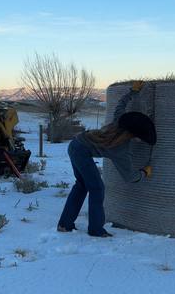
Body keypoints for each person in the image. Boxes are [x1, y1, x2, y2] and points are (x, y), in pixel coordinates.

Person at [57, 81, 157, 238]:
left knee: (82, 186)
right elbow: (130, 177)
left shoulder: (119, 122)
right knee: (97, 188)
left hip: (76, 144)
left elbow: (120, 106)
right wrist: (144, 172)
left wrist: (133, 92)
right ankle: (96, 230)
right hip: (81, 151)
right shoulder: (120, 149)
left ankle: (65, 224)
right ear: (134, 136)